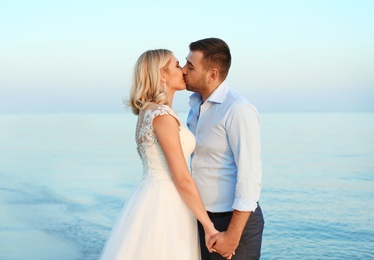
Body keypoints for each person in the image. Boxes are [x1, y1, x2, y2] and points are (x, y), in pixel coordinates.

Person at [100, 49, 219, 260]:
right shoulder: (162, 115)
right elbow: (181, 178)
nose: (183, 70)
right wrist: (209, 226)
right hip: (166, 205)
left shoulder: (149, 112)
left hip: (149, 198)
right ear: (162, 75)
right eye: (176, 65)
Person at [182, 38, 265, 260]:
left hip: (234, 222)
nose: (183, 71)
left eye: (190, 67)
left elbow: (250, 177)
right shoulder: (194, 106)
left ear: (212, 74)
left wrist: (233, 235)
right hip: (202, 220)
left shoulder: (237, 110)